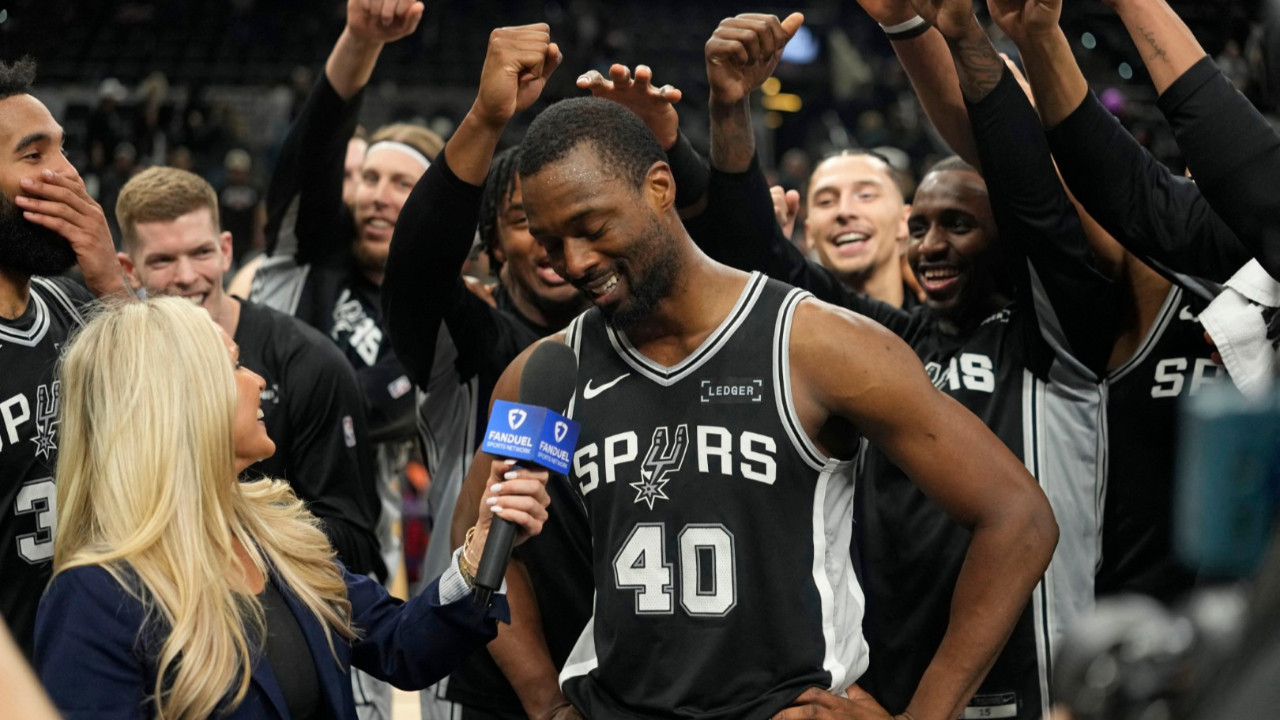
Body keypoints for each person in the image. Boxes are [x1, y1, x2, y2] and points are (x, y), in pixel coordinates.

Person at [447, 78, 1058, 718]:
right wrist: (544, 702)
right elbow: (474, 539)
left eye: (591, 226)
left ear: (660, 187)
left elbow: (1018, 517)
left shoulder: (815, 343)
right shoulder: (549, 370)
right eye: (549, 242)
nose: (573, 261)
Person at [667, 11, 1115, 718]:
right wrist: (729, 106)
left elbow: (1035, 200)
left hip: (1042, 692)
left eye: (958, 225)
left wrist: (938, 34)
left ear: (1006, 241)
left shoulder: (1055, 337)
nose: (929, 245)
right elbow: (763, 259)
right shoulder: (899, 344)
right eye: (921, 227)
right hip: (897, 695)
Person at [33, 296, 553, 720]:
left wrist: (479, 554)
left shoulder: (276, 532)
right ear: (178, 402)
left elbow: (400, 645)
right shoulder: (95, 595)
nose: (258, 379)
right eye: (233, 365)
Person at [382, 24, 597, 719]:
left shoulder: (632, 338)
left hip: (623, 660)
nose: (550, 244)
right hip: (481, 667)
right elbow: (414, 270)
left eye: (575, 221)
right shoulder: (473, 340)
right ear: (492, 242)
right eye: (524, 221)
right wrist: (486, 118)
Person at [114, 165, 386, 581]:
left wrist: (226, 534)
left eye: (201, 253)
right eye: (164, 260)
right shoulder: (119, 368)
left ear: (226, 249)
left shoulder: (308, 362)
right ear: (129, 269)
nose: (187, 276)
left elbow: (356, 544)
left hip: (288, 619)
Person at [0, 56, 126, 658]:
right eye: (34, 156)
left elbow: (183, 419)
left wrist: (112, 286)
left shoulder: (80, 307)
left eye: (63, 151)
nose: (67, 175)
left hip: (94, 673)